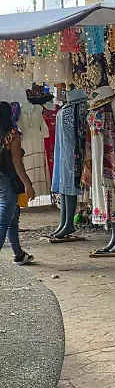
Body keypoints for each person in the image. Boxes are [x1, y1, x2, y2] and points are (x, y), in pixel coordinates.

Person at [0, 102, 36, 265]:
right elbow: (16, 162)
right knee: (4, 222)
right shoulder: (12, 135)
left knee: (12, 219)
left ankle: (19, 254)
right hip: (8, 182)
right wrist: (28, 184)